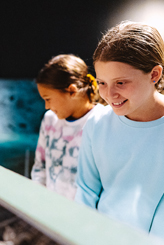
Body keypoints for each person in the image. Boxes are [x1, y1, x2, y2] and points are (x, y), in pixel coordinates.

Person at [75, 21, 164, 245]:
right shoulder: (97, 122)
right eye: (102, 82)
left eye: (121, 82)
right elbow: (86, 191)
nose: (110, 94)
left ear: (154, 74)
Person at [31, 54, 105, 200]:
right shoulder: (50, 119)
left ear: (72, 91)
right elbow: (40, 166)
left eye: (48, 99)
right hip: (50, 210)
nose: (47, 106)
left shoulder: (102, 122)